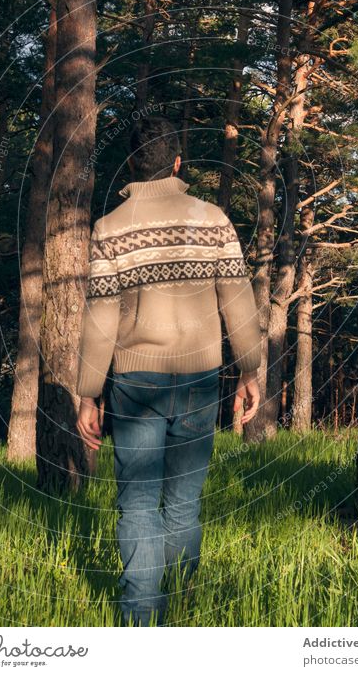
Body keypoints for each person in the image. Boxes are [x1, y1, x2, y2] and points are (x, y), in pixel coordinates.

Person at [76, 116, 261, 626]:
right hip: (202, 378)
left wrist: (87, 393)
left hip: (135, 383)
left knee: (136, 503)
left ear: (135, 164)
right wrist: (251, 370)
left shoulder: (109, 229)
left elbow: (100, 319)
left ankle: (141, 619)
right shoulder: (213, 219)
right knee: (183, 502)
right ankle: (184, 605)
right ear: (178, 163)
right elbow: (237, 302)